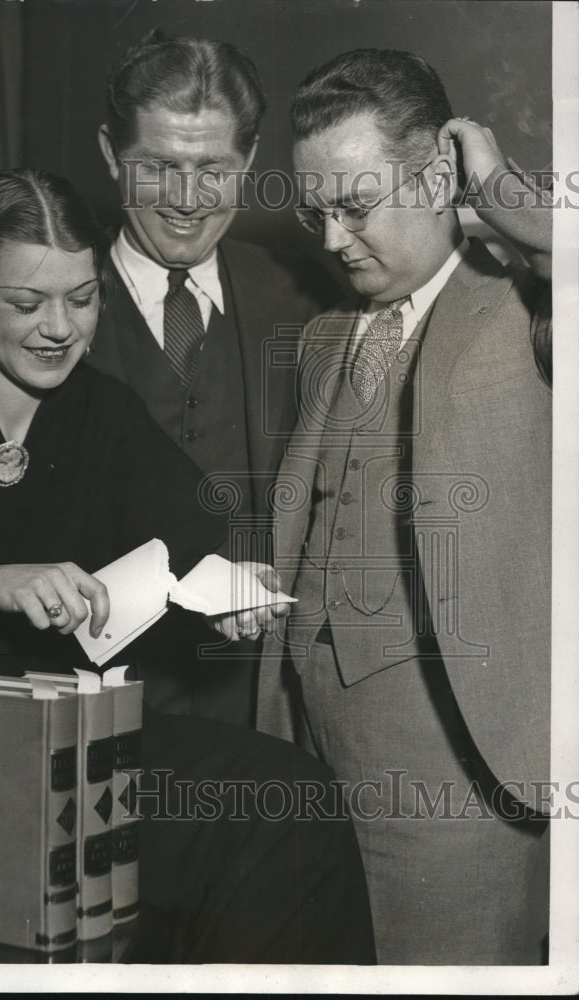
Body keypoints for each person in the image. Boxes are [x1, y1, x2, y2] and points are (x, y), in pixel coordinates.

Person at [0, 167, 374, 964]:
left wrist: (230, 592)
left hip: (76, 740)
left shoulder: (107, 413)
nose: (60, 327)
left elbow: (196, 540)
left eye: (83, 297)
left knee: (290, 801)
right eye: (27, 303)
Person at [256, 49, 552, 964]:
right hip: (310, 765)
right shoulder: (323, 337)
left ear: (434, 176)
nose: (333, 240)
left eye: (355, 205)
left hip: (458, 785)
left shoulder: (527, 312)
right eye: (316, 212)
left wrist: (499, 186)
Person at [89, 30, 335, 726]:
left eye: (214, 169)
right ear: (111, 153)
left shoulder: (301, 296)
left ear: (250, 160)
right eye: (159, 167)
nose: (187, 200)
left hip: (261, 705)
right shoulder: (42, 305)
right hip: (85, 704)